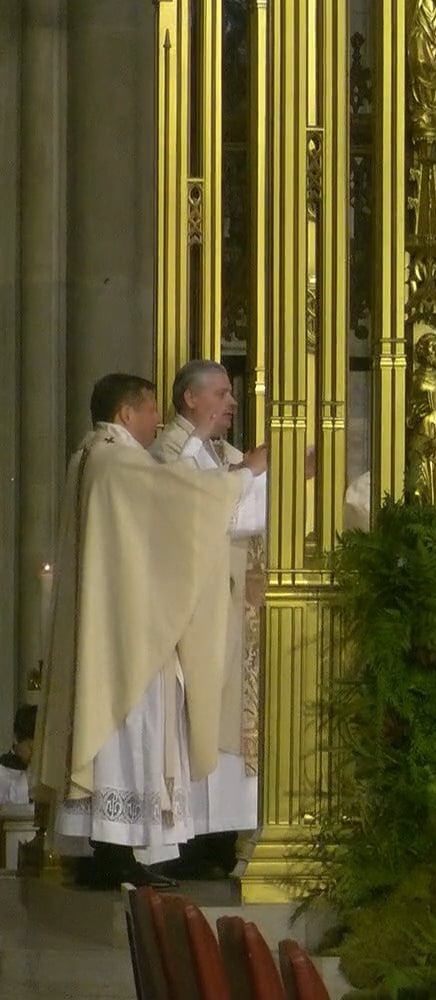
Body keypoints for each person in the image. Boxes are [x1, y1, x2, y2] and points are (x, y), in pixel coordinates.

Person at [35, 373, 266, 888]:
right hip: (126, 634)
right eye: (148, 412)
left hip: (121, 617)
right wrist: (244, 474)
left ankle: (114, 854)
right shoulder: (118, 460)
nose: (155, 421)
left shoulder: (92, 456)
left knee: (118, 738)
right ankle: (114, 853)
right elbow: (179, 502)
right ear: (125, 414)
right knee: (126, 732)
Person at [148, 360, 266, 878]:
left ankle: (219, 841)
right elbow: (195, 513)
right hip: (190, 614)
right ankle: (189, 841)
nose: (232, 403)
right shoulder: (166, 452)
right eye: (222, 393)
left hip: (234, 610)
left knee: (229, 728)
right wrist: (254, 476)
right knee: (193, 720)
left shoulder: (227, 455)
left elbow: (247, 511)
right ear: (190, 399)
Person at [1, 705, 35, 806]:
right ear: (16, 739)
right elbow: (13, 802)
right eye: (31, 747)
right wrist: (33, 767)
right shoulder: (2, 771)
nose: (35, 753)